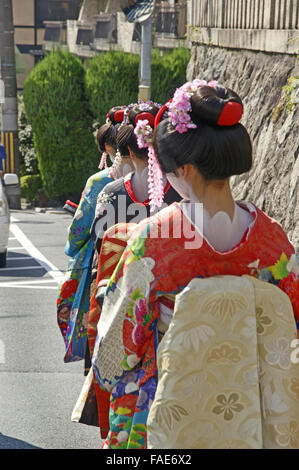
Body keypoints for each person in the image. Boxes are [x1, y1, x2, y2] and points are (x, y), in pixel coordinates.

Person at [91, 80, 299, 449]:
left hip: (169, 419)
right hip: (257, 421)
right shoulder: (274, 243)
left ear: (183, 170)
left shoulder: (155, 240)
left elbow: (114, 356)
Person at [57, 106, 133, 364]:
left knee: (98, 341)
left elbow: (78, 234)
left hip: (104, 271)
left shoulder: (101, 183)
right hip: (147, 273)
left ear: (110, 149)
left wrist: (73, 244)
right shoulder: (164, 181)